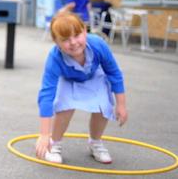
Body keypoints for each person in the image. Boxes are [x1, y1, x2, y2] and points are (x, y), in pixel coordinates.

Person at [36, 11, 128, 165]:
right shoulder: (54, 58)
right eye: (65, 39)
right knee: (64, 107)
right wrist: (44, 134)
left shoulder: (98, 44)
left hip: (94, 76)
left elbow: (114, 74)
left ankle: (95, 142)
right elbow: (46, 94)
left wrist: (121, 104)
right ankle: (54, 144)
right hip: (69, 79)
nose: (73, 42)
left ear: (85, 31)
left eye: (77, 35)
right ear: (56, 42)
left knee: (103, 106)